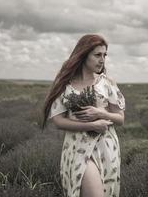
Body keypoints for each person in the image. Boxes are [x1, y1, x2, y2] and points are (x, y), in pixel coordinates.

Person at [42, 34, 125, 197]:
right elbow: (58, 121)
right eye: (97, 55)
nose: (102, 60)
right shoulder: (66, 85)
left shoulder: (107, 83)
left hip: (106, 148)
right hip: (78, 148)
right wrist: (91, 125)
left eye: (104, 55)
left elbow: (120, 118)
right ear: (83, 55)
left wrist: (100, 113)